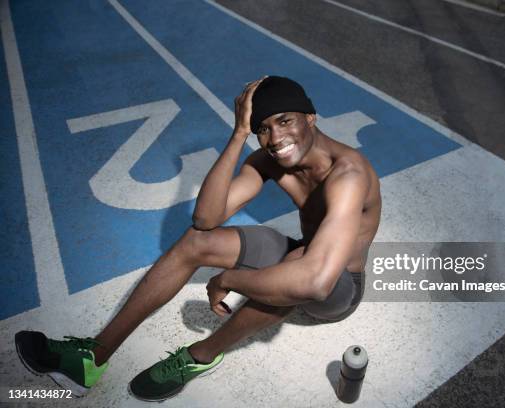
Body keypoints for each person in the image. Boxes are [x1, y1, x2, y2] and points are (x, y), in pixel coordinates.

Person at [15, 76, 382, 401]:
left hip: (339, 288)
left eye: (285, 121)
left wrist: (228, 279)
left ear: (311, 117)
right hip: (308, 256)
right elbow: (205, 218)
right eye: (263, 128)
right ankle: (94, 357)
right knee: (195, 242)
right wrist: (238, 135)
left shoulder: (348, 174)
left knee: (294, 268)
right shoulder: (269, 158)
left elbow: (315, 283)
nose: (275, 138)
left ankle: (200, 356)